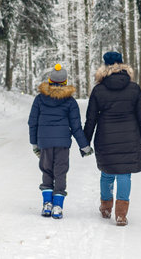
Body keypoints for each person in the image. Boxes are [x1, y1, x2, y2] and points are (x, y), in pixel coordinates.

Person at [84, 51, 141, 226]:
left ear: (105, 67)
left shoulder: (99, 89)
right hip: (130, 136)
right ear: (122, 65)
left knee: (107, 173)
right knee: (124, 174)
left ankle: (105, 208)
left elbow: (91, 118)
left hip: (105, 137)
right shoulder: (134, 88)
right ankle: (121, 214)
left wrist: (85, 141)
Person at [28, 63, 93, 219]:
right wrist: (84, 146)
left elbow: (33, 123)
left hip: (44, 142)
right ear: (65, 82)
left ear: (49, 80)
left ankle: (47, 205)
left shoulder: (39, 99)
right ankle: (58, 206)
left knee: (47, 171)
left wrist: (34, 144)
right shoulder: (70, 102)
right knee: (60, 172)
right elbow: (76, 127)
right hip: (63, 144)